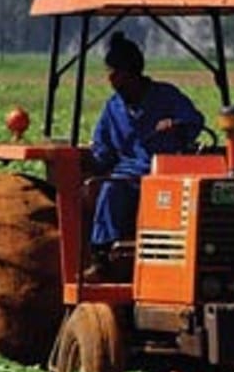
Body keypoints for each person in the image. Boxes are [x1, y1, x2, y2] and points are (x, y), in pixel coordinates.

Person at [86, 31, 204, 280]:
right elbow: (103, 148)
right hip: (129, 176)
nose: (109, 79)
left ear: (130, 73)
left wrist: (176, 124)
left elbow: (194, 121)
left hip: (168, 173)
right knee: (109, 189)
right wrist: (90, 157)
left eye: (114, 73)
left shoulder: (167, 96)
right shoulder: (113, 107)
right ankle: (103, 255)